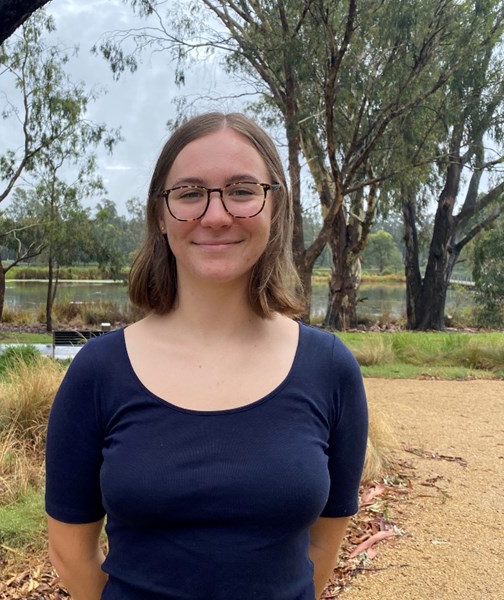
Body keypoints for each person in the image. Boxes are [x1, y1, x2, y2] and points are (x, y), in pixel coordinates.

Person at [44, 112, 368, 600]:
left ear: (274, 207)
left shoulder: (330, 369)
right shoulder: (98, 372)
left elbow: (324, 547)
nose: (215, 216)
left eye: (241, 190)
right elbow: (71, 552)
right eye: (191, 193)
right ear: (160, 212)